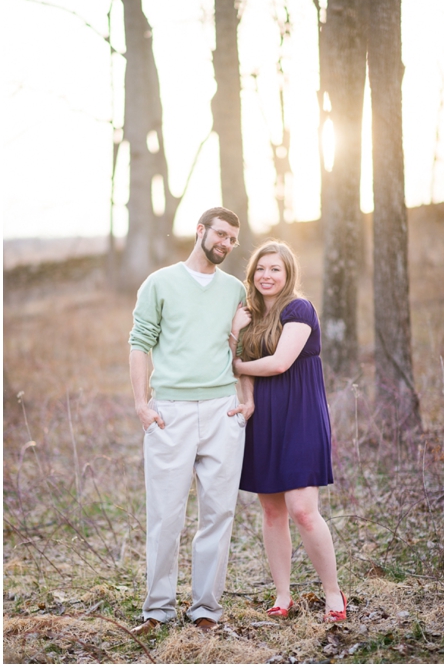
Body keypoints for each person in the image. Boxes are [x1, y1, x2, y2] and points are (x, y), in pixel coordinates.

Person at [128, 206, 254, 634]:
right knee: (165, 514)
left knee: (219, 513)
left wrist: (247, 400)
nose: (226, 244)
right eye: (221, 234)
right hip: (171, 413)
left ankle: (206, 610)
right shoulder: (160, 283)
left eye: (233, 239)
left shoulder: (235, 289)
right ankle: (157, 609)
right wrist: (142, 405)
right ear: (200, 231)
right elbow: (139, 343)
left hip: (222, 410)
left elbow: (242, 351)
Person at [230, 240, 346, 623]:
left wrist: (235, 363)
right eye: (261, 268)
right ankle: (282, 595)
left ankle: (333, 593)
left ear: (288, 273)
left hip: (300, 416)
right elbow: (238, 361)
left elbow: (279, 364)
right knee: (271, 511)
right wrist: (236, 337)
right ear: (252, 274)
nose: (267, 275)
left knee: (303, 511)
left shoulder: (299, 309)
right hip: (264, 420)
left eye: (275, 269)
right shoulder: (249, 316)